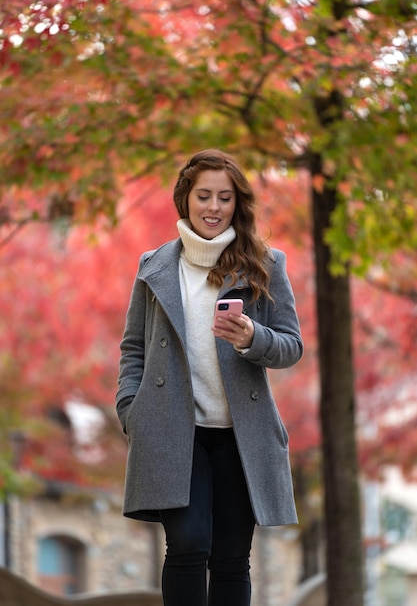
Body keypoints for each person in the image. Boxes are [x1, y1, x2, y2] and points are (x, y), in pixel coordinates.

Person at [116, 148, 303, 606]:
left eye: (224, 197)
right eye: (204, 196)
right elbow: (134, 347)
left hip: (243, 434)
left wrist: (250, 337)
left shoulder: (265, 263)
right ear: (185, 199)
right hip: (173, 430)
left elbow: (291, 345)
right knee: (186, 544)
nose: (214, 207)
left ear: (237, 203)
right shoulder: (154, 265)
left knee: (232, 557)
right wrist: (131, 410)